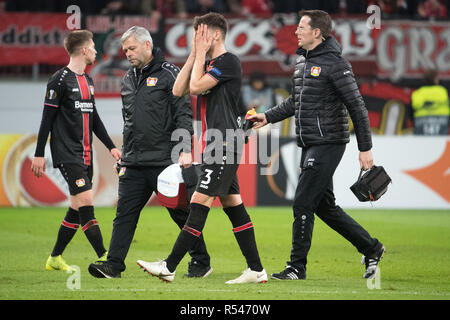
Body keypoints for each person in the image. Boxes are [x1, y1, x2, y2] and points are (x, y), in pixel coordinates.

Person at [248, 10, 385, 280]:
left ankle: (296, 267)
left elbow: (356, 105)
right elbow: (294, 102)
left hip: (329, 142)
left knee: (302, 203)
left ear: (316, 33)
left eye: (301, 27)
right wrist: (267, 117)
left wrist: (365, 147)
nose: (296, 31)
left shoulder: (336, 64)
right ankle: (371, 247)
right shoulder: (301, 62)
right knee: (323, 206)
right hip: (310, 143)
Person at [136, 13, 267, 284]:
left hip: (224, 144)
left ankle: (168, 266)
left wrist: (198, 55)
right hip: (215, 145)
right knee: (233, 206)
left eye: (199, 33)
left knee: (198, 204)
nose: (194, 38)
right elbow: (177, 90)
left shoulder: (228, 61)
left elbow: (195, 87)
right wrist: (194, 55)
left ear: (215, 35)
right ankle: (256, 269)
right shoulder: (208, 63)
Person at [88, 26, 212, 279]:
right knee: (124, 214)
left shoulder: (171, 75)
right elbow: (129, 121)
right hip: (133, 161)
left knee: (180, 214)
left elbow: (183, 115)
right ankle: (113, 265)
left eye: (131, 48)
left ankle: (201, 261)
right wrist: (125, 153)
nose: (127, 54)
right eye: (124, 50)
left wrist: (184, 150)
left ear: (147, 45)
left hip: (164, 160)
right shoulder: (127, 78)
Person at [31, 30, 122, 271]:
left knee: (76, 206)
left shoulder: (88, 81)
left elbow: (94, 119)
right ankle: (105, 257)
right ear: (83, 50)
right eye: (92, 46)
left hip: (86, 155)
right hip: (67, 154)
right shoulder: (59, 80)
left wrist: (111, 146)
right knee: (86, 202)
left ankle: (54, 258)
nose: (95, 50)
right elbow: (46, 119)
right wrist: (39, 153)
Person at [411, 68, 449, 135]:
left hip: (421, 123)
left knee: (421, 144)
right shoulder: (442, 91)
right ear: (435, 79)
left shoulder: (418, 93)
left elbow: (412, 110)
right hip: (442, 122)